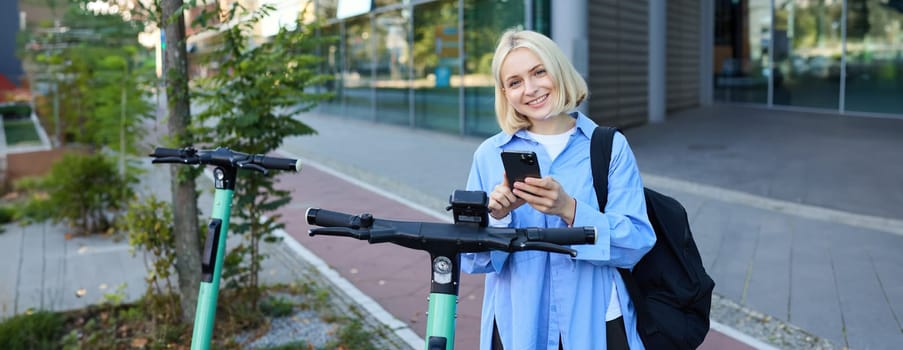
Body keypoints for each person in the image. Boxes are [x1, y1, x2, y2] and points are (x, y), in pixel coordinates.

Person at [461, 29, 656, 350]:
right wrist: (497, 219)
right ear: (505, 93)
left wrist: (570, 209)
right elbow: (473, 260)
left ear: (559, 70)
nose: (531, 89)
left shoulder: (608, 147)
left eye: (539, 72)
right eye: (515, 82)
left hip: (596, 324)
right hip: (520, 327)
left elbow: (636, 242)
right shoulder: (489, 154)